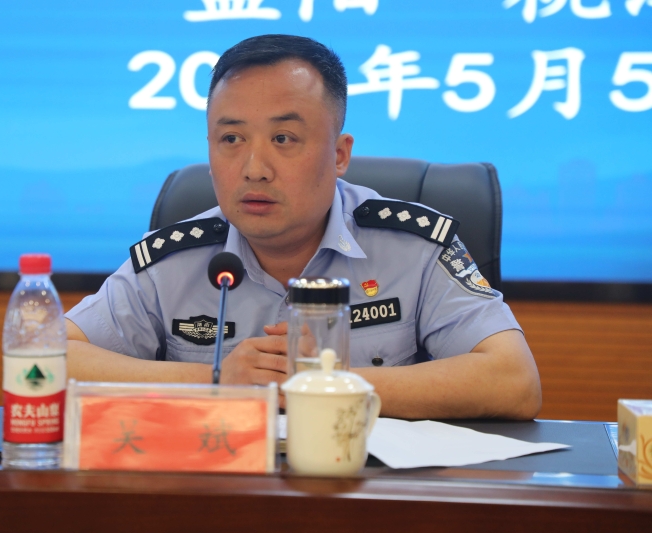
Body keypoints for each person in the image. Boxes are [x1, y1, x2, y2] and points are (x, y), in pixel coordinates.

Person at [65, 34, 542, 420]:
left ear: (339, 154)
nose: (254, 169)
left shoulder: (413, 246)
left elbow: (515, 382)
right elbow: (49, 358)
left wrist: (326, 385)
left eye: (283, 138)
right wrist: (218, 380)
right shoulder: (174, 258)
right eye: (231, 138)